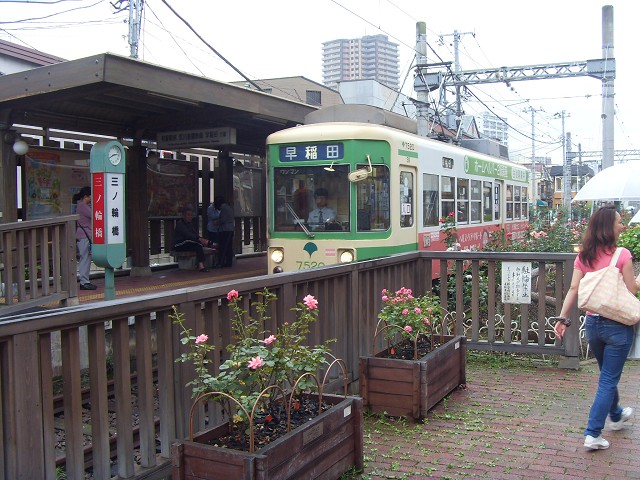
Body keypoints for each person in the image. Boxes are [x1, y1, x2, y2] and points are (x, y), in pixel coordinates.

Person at [555, 206, 640, 450]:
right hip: (617, 326)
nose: (622, 226)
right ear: (607, 227)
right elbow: (632, 289)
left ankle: (616, 414)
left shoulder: (583, 256)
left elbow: (573, 289)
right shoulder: (622, 254)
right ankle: (593, 433)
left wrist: (561, 319)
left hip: (592, 324)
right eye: (618, 222)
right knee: (608, 380)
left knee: (607, 377)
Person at [173, 206, 213, 272]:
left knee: (198, 245)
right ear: (184, 215)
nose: (190, 217)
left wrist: (202, 240)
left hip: (187, 243)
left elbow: (195, 234)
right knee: (197, 244)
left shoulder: (190, 224)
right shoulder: (180, 224)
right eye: (188, 215)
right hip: (179, 244)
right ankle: (201, 266)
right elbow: (188, 235)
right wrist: (199, 239)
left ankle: (200, 264)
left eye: (191, 215)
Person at [74, 186, 97, 290]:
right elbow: (94, 215)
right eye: (90, 196)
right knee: (85, 259)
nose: (92, 198)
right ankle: (84, 282)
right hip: (84, 236)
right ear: (85, 196)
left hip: (85, 236)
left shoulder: (82, 205)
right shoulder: (83, 206)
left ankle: (85, 280)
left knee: (86, 258)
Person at [215, 195, 235, 268]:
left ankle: (220, 262)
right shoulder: (229, 208)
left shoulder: (224, 209)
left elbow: (223, 220)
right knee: (229, 246)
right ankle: (229, 262)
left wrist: (217, 222)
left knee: (223, 246)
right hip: (231, 229)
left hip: (225, 230)